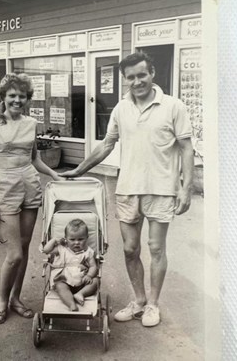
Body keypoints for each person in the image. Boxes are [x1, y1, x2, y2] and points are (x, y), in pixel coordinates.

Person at [60, 52, 194, 327]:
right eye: (130, 77)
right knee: (130, 250)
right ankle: (139, 301)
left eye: (141, 75)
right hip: (128, 189)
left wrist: (186, 188)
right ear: (125, 80)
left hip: (161, 189)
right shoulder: (121, 109)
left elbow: (187, 148)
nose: (137, 81)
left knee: (156, 248)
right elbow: (107, 144)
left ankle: (153, 305)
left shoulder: (173, 106)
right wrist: (79, 169)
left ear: (152, 73)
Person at [0, 73, 62, 325]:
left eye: (22, 96)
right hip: (5, 187)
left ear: (28, 99)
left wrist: (53, 173)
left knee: (24, 248)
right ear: (3, 97)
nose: (17, 100)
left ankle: (16, 298)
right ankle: (2, 302)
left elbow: (34, 158)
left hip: (29, 185)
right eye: (12, 95)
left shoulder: (31, 123)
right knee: (14, 253)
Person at [43, 219, 98, 311]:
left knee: (96, 281)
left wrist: (89, 275)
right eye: (72, 239)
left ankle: (80, 294)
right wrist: (54, 240)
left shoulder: (88, 252)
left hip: (82, 282)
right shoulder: (61, 249)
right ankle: (71, 304)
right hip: (64, 280)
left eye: (80, 239)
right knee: (60, 286)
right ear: (66, 238)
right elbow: (46, 250)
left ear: (87, 238)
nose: (76, 242)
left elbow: (93, 266)